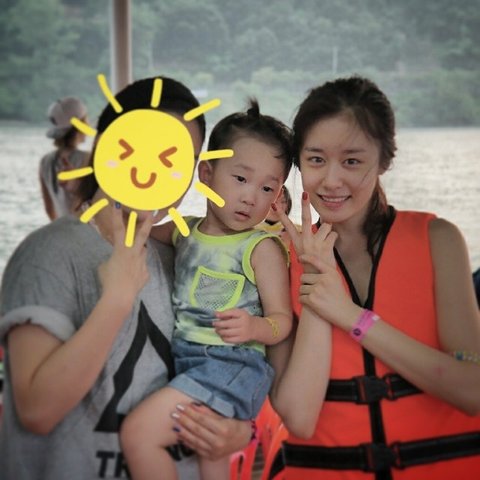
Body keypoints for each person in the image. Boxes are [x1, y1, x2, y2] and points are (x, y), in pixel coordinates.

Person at [0, 77, 252, 480]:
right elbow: (37, 411)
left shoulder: (182, 256)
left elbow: (221, 366)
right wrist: (116, 299)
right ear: (106, 147)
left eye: (176, 158)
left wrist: (237, 430)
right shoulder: (49, 252)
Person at [270, 76, 480, 479]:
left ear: (384, 160)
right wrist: (316, 281)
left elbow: (472, 391)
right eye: (316, 160)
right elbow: (299, 418)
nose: (332, 181)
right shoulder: (276, 256)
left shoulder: (439, 240)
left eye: (352, 161)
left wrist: (351, 316)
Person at [120, 99, 294, 480]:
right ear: (206, 173)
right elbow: (136, 228)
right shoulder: (185, 231)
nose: (251, 197)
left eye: (267, 187)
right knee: (211, 461)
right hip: (189, 362)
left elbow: (283, 320)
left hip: (230, 366)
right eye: (241, 179)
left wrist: (254, 327)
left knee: (138, 434)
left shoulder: (260, 248)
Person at [39, 96, 90, 220]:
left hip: (62, 228)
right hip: (85, 229)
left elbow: (49, 209)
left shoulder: (45, 161)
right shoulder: (88, 159)